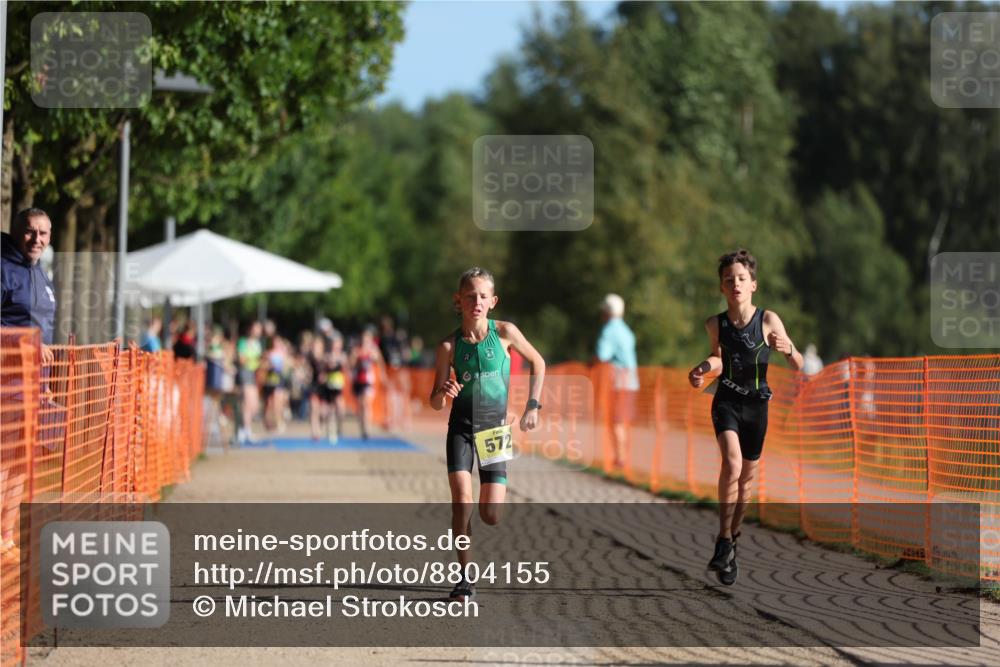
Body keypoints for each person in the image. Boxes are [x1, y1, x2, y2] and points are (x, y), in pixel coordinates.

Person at [688, 249, 803, 585]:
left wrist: (788, 350)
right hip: (726, 401)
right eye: (728, 280)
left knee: (747, 481)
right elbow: (718, 359)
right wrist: (702, 370)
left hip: (757, 407)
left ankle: (732, 542)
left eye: (741, 278)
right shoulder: (716, 324)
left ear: (753, 284)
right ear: (722, 288)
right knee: (733, 465)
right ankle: (723, 537)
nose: (735, 284)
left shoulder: (768, 320)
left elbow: (798, 366)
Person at [429, 267, 545, 599]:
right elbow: (435, 402)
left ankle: (470, 562)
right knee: (461, 503)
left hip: (494, 430)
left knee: (490, 515)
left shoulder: (506, 332)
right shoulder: (448, 347)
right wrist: (445, 393)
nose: (476, 302)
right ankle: (464, 577)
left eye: (482, 296)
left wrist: (532, 406)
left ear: (492, 301)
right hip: (461, 430)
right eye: (469, 296)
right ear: (458, 301)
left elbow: (539, 363)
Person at [1, 208, 56, 365]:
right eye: (29, 232)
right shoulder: (3, 269)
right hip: (7, 380)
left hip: (34, 381)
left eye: (43, 233)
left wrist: (45, 383)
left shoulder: (41, 273)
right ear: (14, 232)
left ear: (49, 237)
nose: (36, 239)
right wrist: (27, 342)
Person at [594, 293, 639, 470]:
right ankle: (622, 456)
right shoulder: (626, 330)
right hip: (632, 381)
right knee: (623, 420)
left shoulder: (609, 330)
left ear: (606, 311)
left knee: (617, 420)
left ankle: (620, 458)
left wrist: (592, 363)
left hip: (619, 382)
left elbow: (601, 355)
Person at [350, 327, 386, 440]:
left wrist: (382, 375)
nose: (365, 341)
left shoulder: (374, 350)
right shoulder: (356, 350)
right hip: (357, 380)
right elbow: (350, 364)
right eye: (363, 338)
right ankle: (362, 428)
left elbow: (380, 362)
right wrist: (355, 358)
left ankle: (367, 429)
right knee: (360, 405)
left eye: (367, 339)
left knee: (366, 404)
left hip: (368, 381)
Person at [236, 321, 264, 443]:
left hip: (254, 374)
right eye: (257, 328)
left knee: (254, 405)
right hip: (245, 373)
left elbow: (259, 360)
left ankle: (244, 428)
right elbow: (241, 359)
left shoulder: (258, 343)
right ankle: (245, 430)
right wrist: (253, 360)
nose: (259, 331)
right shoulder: (243, 342)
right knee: (247, 403)